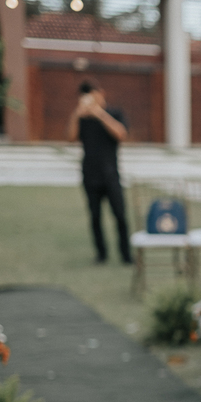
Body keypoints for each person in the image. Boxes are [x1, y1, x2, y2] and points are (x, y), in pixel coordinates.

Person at [68, 79, 131, 265]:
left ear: (100, 93)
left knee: (120, 215)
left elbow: (121, 134)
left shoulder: (114, 113)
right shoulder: (82, 118)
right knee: (95, 217)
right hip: (90, 174)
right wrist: (76, 114)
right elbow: (71, 137)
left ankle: (126, 255)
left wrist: (99, 113)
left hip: (111, 174)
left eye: (91, 93)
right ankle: (101, 254)